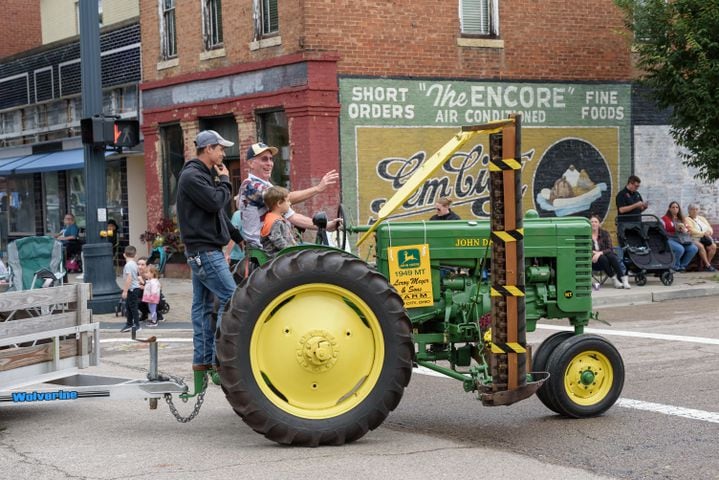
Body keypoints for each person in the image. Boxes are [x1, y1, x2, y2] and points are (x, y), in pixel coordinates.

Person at [176, 129, 244, 372]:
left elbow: (215, 213)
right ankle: (218, 356)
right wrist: (225, 181)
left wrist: (237, 237)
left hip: (203, 251)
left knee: (203, 306)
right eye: (221, 148)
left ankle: (203, 360)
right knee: (233, 298)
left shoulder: (201, 174)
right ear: (208, 149)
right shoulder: (192, 176)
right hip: (204, 252)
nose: (223, 153)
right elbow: (217, 202)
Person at [239, 142, 341, 248]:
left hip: (276, 243)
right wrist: (317, 188)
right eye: (264, 159)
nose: (269, 163)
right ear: (251, 163)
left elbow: (292, 216)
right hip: (267, 248)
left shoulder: (267, 186)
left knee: (316, 251)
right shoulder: (251, 186)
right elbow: (286, 198)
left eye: (271, 159)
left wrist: (326, 226)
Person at [590, 214, 629, 289]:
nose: (594, 223)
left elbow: (610, 248)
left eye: (596, 222)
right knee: (602, 258)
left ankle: (623, 280)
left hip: (608, 261)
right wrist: (594, 253)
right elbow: (585, 249)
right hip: (593, 262)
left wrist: (599, 253)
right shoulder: (586, 235)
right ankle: (615, 280)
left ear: (599, 224)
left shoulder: (605, 233)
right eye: (591, 222)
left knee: (611, 256)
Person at [660, 201, 698, 272]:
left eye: (676, 207)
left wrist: (685, 230)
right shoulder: (664, 219)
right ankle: (675, 266)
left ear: (679, 209)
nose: (675, 209)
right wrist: (674, 229)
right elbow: (660, 230)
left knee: (693, 249)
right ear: (669, 209)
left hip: (682, 239)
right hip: (669, 238)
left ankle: (682, 266)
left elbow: (688, 230)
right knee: (679, 249)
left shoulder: (682, 219)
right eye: (673, 207)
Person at [260, 186, 298, 255]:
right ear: (279, 203)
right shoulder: (275, 221)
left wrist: (294, 245)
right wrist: (290, 249)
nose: (290, 203)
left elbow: (287, 235)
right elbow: (277, 239)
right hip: (276, 254)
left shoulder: (278, 218)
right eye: (288, 201)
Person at [685, 203, 717, 272]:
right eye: (692, 209)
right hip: (694, 238)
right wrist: (704, 233)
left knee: (713, 246)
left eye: (696, 209)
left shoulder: (702, 218)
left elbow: (709, 227)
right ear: (689, 211)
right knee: (701, 247)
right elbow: (692, 231)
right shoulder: (686, 219)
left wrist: (709, 232)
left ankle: (707, 265)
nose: (695, 211)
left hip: (705, 238)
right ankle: (708, 265)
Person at [120, 245, 142, 333]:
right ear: (135, 255)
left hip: (132, 289)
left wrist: (125, 291)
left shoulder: (128, 265)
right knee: (129, 307)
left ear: (124, 255)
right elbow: (138, 274)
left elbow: (129, 278)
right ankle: (129, 323)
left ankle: (137, 325)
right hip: (135, 288)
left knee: (132, 307)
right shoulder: (134, 264)